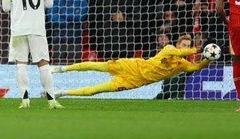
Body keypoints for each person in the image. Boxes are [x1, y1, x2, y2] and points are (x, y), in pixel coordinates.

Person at [52, 34, 214, 97]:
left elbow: (197, 67)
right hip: (132, 66)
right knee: (97, 66)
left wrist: (208, 58)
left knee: (98, 89)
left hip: (135, 82)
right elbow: (181, 53)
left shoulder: (183, 64)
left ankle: (63, 93)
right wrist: (199, 48)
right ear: (178, 44)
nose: (186, 47)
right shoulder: (169, 49)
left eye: (188, 45)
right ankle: (63, 68)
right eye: (184, 44)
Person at [0, 0, 61, 109]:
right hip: (37, 28)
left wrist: (18, 5)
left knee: (21, 64)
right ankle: (51, 101)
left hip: (18, 28)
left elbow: (5, 7)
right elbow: (49, 3)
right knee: (43, 64)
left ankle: (25, 101)